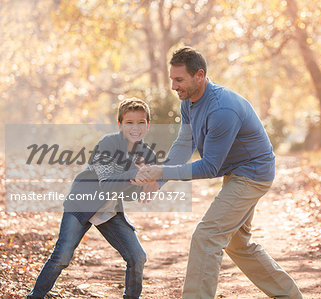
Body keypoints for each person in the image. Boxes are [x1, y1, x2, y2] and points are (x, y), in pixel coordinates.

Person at [135, 47, 303, 298]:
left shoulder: (222, 109)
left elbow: (210, 167)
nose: (173, 86)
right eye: (172, 79)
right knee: (238, 243)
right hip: (237, 172)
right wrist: (160, 178)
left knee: (207, 236)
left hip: (252, 173)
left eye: (179, 80)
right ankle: (289, 296)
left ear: (199, 76)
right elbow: (184, 143)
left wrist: (159, 170)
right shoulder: (189, 102)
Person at [27, 98, 159, 299]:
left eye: (141, 122)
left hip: (109, 210)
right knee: (62, 257)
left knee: (137, 257)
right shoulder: (107, 143)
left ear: (148, 125)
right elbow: (106, 183)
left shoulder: (147, 154)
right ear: (120, 125)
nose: (135, 128)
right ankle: (35, 296)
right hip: (81, 202)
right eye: (129, 123)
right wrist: (134, 174)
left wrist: (144, 185)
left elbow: (130, 193)